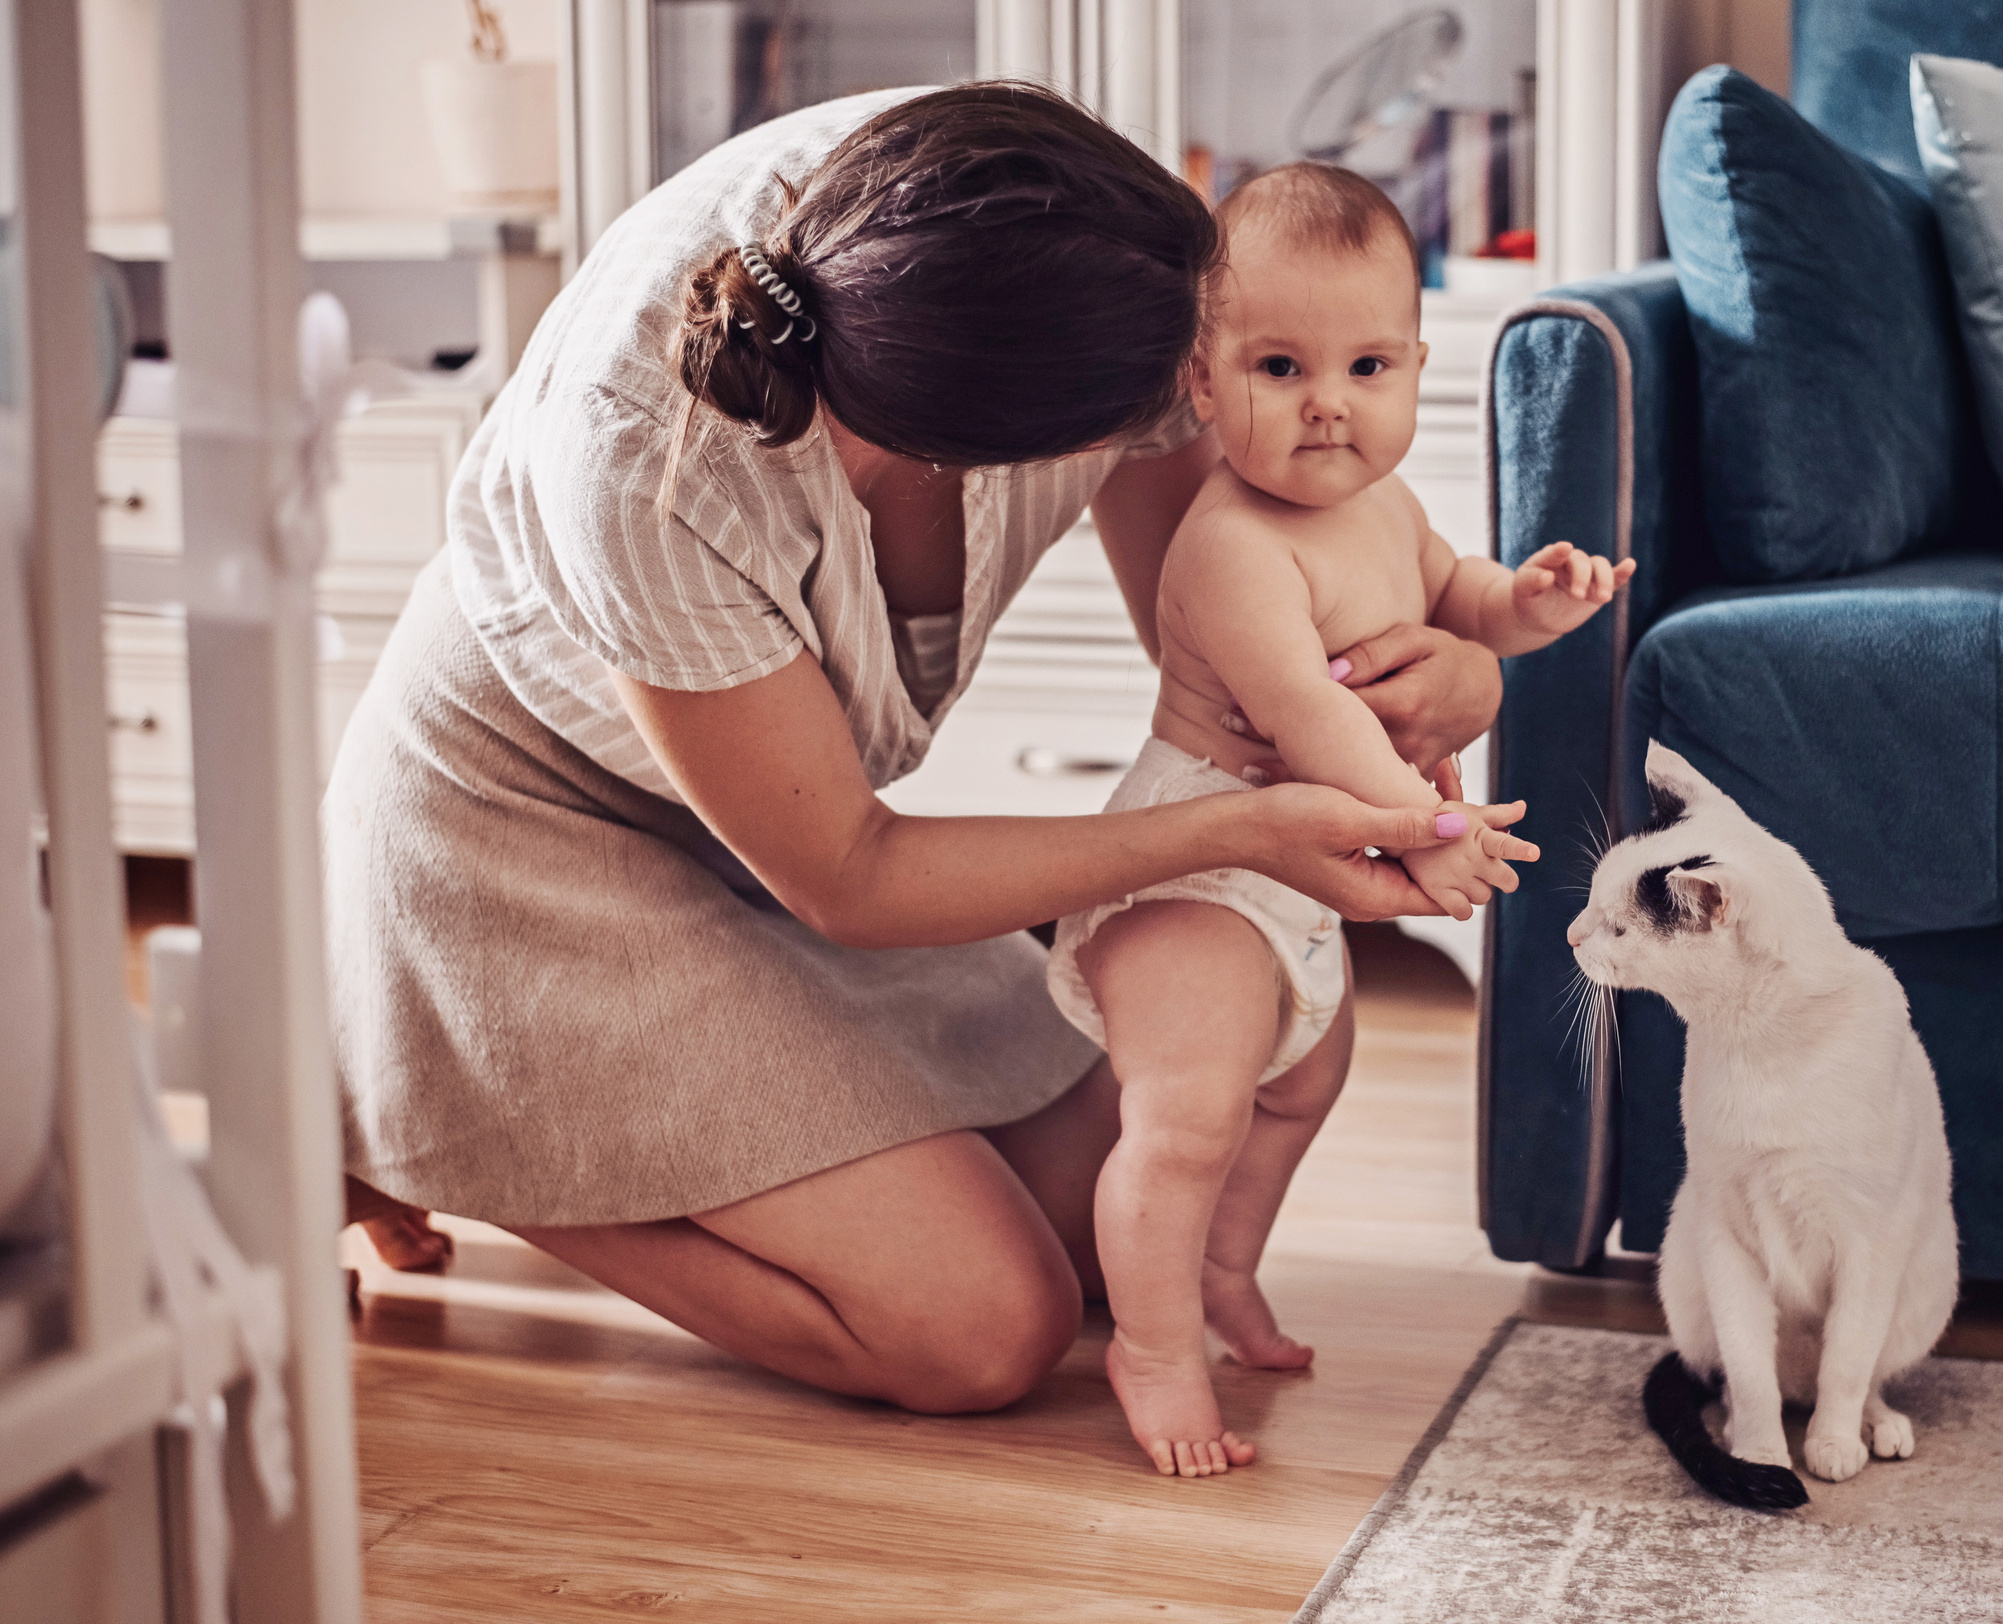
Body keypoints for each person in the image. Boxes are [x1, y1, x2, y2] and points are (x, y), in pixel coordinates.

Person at [324, 85, 1517, 1414]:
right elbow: (853, 875)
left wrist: (1450, 668)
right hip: (524, 822)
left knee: (1111, 1200)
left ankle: (475, 1122)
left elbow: (1241, 627)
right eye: (1158, 413)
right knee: (981, 1328)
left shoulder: (1049, 217)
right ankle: (422, 1132)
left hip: (789, 822)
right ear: (978, 449)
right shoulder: (649, 469)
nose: (1198, 410)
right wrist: (1240, 832)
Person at [1046, 164, 1633, 1475]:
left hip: (1301, 866)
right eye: (1278, 367)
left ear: (1420, 364)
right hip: (1199, 862)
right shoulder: (1231, 547)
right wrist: (1438, 826)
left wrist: (1530, 603)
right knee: (1190, 1117)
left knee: (1303, 1082)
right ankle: (1152, 1343)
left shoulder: (1384, 507)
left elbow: (1456, 602)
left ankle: (1227, 1273)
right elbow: (1318, 725)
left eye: (1369, 366)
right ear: (1202, 381)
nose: (1329, 406)